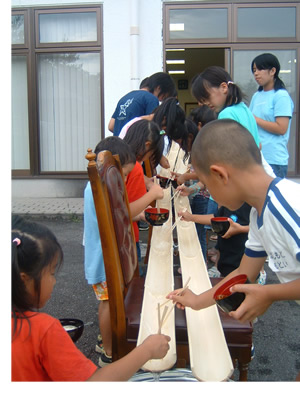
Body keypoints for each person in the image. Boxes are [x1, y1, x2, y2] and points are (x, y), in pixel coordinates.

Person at [167, 119, 300, 328]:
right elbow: (243, 273)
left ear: (220, 175)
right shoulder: (259, 214)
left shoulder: (285, 206)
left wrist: (269, 293)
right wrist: (197, 301)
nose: (211, 194)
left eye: (208, 186)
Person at [12, 216, 170, 382]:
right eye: (51, 273)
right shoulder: (43, 331)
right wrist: (147, 350)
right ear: (24, 279)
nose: (54, 281)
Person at [84, 135, 164, 366]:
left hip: (102, 254)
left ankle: (106, 341)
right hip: (102, 258)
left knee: (112, 301)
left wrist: (137, 215)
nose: (126, 178)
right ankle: (108, 353)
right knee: (109, 302)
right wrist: (151, 195)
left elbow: (117, 214)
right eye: (124, 174)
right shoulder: (101, 185)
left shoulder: (98, 183)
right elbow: (121, 211)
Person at [250, 53, 294, 178]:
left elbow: (281, 128)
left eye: (260, 69)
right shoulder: (256, 96)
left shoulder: (281, 96)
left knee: (270, 197)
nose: (256, 73)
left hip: (273, 160)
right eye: (254, 70)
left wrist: (256, 119)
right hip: (256, 157)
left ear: (273, 71)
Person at [178, 202, 251, 278]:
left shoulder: (251, 205)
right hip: (225, 261)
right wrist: (191, 217)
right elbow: (214, 218)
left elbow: (260, 228)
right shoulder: (229, 204)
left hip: (241, 265)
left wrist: (241, 229)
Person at [108, 72, 176, 136]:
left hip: (117, 144)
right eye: (163, 97)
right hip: (134, 146)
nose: (160, 100)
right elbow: (153, 129)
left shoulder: (125, 98)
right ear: (159, 88)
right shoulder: (151, 98)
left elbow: (111, 126)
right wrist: (164, 132)